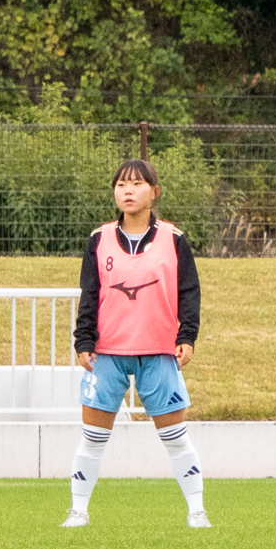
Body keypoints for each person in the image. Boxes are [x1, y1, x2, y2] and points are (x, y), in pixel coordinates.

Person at [65, 159, 206, 529]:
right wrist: (83, 339)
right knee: (92, 438)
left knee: (176, 439)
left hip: (158, 351)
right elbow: (89, 294)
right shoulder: (99, 239)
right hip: (107, 353)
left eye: (137, 184)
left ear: (154, 192)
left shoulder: (174, 239)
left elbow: (189, 292)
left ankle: (197, 511)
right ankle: (78, 511)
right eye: (121, 185)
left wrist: (187, 336)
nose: (128, 191)